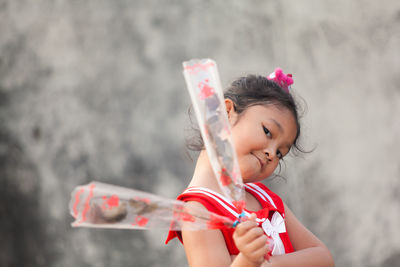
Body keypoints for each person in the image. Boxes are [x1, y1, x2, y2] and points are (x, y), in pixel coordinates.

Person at [166, 69, 334, 267]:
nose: (272, 153)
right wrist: (247, 260)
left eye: (280, 153)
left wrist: (266, 264)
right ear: (226, 113)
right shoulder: (197, 212)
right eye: (267, 131)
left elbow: (323, 258)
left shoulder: (265, 198)